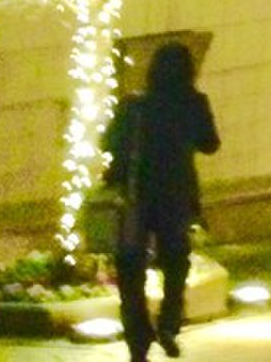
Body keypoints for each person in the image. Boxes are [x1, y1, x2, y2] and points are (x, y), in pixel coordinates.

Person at [104, 41, 220, 362]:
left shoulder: (134, 105)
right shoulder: (193, 102)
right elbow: (210, 144)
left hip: (135, 197)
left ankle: (138, 339)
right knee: (175, 262)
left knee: (130, 269)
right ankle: (169, 323)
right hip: (175, 196)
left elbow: (109, 141)